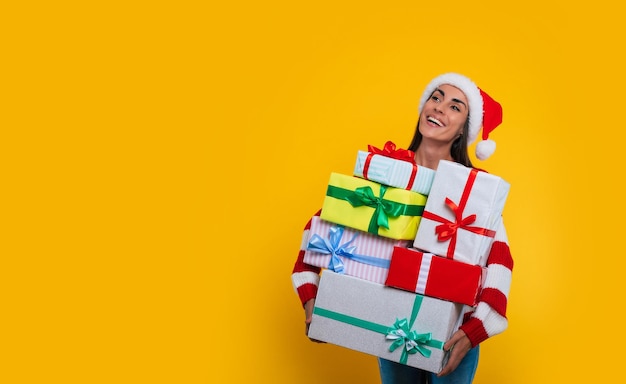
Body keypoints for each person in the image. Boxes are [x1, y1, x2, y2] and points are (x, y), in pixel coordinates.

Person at [291, 73, 514, 384]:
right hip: (390, 323)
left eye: (454, 106)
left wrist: (476, 329)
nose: (439, 108)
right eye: (435, 98)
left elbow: (500, 260)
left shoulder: (473, 190)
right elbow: (321, 230)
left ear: (465, 128)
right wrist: (313, 300)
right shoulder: (386, 169)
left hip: (454, 332)